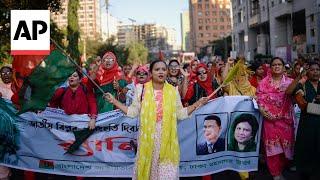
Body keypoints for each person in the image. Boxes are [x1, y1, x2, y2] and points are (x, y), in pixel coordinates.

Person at [104, 60, 208, 180]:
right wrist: (114, 101)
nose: (161, 72)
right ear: (151, 72)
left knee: (167, 175)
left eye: (163, 69)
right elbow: (132, 112)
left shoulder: (173, 91)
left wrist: (197, 104)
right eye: (157, 69)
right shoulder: (141, 89)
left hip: (167, 143)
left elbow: (181, 114)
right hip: (147, 142)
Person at [256, 57, 295, 180]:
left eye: (279, 64)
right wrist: (262, 110)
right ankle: (276, 172)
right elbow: (257, 98)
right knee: (272, 147)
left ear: (284, 67)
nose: (277, 66)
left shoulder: (291, 82)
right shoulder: (264, 82)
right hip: (269, 119)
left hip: (285, 119)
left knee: (286, 145)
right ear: (270, 68)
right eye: (274, 65)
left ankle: (284, 165)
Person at [286, 62, 320, 180]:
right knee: (307, 149)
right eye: (312, 70)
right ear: (307, 72)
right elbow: (297, 100)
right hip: (308, 124)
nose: (315, 72)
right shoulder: (302, 85)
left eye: (317, 69)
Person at [0, 66, 13, 180]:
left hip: (17, 127)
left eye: (8, 72)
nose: (5, 75)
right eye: (3, 73)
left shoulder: (18, 87)